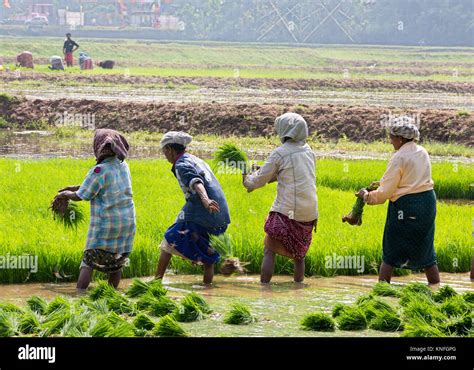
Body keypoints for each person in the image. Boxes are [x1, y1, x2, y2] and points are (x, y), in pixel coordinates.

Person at [356, 116, 440, 285]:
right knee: (426, 251)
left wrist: (366, 196)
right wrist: (381, 183)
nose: (390, 141)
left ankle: (382, 292)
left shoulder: (399, 157)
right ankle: (436, 288)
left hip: (407, 207)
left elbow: (384, 194)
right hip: (427, 205)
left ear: (400, 139)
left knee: (391, 252)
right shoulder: (422, 151)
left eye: (392, 137)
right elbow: (411, 179)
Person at [54, 129, 135, 291]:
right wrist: (73, 188)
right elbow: (98, 186)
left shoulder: (98, 170)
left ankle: (80, 294)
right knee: (117, 262)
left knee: (88, 261)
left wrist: (64, 194)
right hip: (127, 224)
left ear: (98, 147)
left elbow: (82, 195)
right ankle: (112, 294)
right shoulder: (123, 165)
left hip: (105, 225)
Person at [242, 113, 318, 284]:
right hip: (310, 213)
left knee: (269, 250)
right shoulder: (308, 150)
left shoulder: (280, 153)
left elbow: (257, 181)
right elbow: (292, 174)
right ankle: (298, 289)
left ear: (284, 131)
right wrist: (266, 172)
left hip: (287, 210)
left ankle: (264, 288)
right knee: (299, 256)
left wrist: (247, 179)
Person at [155, 131, 230, 285]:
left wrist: (205, 200)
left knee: (169, 241)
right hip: (221, 214)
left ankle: (156, 282)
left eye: (164, 151)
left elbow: (196, 182)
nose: (165, 155)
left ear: (169, 149)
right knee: (207, 254)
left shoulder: (181, 164)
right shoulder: (196, 159)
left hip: (202, 209)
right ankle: (208, 291)